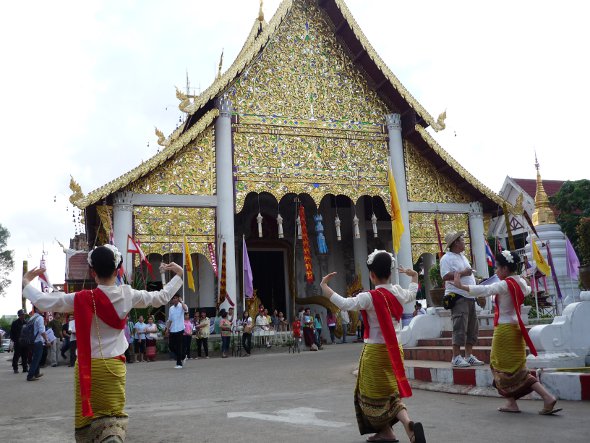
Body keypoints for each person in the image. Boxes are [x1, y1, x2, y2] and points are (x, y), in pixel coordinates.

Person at [22, 244, 184, 442]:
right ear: (117, 270)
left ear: (92, 272)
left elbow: (44, 301)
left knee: (87, 421)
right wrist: (179, 275)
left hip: (86, 366)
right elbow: (161, 297)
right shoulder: (127, 294)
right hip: (114, 365)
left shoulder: (81, 298)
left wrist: (26, 283)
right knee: (113, 416)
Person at [320, 250, 426, 443]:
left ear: (372, 275)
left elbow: (344, 304)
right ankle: (407, 426)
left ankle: (386, 431)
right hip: (395, 350)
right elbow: (412, 293)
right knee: (391, 394)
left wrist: (325, 287)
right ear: (390, 272)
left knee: (369, 396)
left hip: (375, 352)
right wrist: (414, 276)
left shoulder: (368, 297)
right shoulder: (398, 292)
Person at [452, 250, 561, 415]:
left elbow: (486, 290)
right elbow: (529, 290)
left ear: (504, 268)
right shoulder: (521, 283)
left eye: (497, 268)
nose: (496, 271)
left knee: (498, 366)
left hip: (504, 331)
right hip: (517, 328)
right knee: (517, 369)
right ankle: (520, 401)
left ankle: (537, 398)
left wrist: (462, 286)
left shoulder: (504, 285)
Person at [440, 231, 484, 368]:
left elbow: (466, 275)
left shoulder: (463, 257)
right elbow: (445, 276)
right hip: (457, 295)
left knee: (472, 327)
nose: (464, 242)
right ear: (456, 243)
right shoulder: (446, 258)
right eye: (462, 240)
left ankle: (468, 355)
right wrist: (464, 273)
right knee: (459, 326)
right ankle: (456, 356)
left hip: (469, 295)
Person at [165, 294, 188, 369]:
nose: (174, 300)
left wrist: (181, 301)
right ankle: (183, 356)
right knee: (171, 346)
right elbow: (170, 320)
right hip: (172, 329)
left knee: (178, 347)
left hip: (180, 329)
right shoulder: (171, 308)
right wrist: (167, 329)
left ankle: (179, 364)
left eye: (176, 298)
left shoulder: (182, 306)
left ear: (178, 299)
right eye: (173, 298)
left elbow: (186, 309)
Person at [27, 306, 48, 381]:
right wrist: (46, 340)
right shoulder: (40, 318)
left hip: (31, 341)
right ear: (37, 309)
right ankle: (30, 376)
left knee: (36, 358)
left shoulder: (32, 317)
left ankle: (36, 373)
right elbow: (42, 331)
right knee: (36, 359)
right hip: (37, 341)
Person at [10, 309, 28, 374]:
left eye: (24, 315)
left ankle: (25, 368)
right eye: (22, 315)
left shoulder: (26, 322)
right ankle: (15, 368)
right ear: (19, 315)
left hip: (25, 342)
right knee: (17, 355)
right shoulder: (15, 323)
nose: (23, 316)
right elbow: (11, 333)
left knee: (25, 356)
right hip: (18, 342)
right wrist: (15, 340)